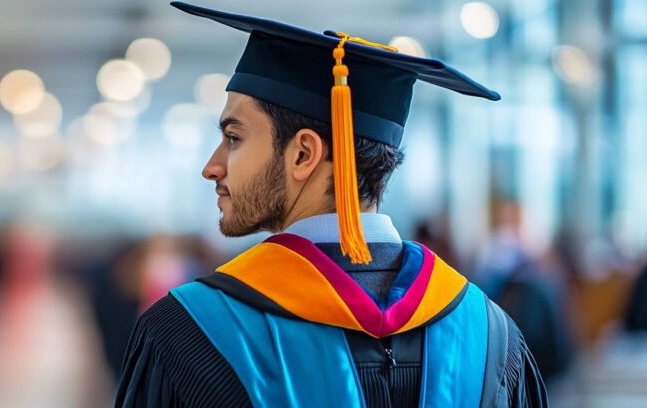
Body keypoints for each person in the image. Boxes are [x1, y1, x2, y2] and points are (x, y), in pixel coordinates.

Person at [115, 3, 548, 407]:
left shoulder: (189, 331)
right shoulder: (490, 333)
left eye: (233, 138)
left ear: (303, 154)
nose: (212, 167)